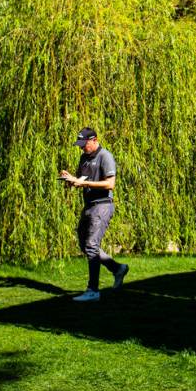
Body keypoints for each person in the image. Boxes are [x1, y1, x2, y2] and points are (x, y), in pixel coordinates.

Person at [60, 127, 128, 302]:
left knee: (91, 245)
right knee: (85, 245)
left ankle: (93, 290)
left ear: (94, 140)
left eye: (84, 144)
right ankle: (117, 269)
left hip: (102, 206)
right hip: (88, 205)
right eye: (80, 145)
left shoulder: (105, 157)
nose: (82, 148)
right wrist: (70, 179)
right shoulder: (84, 158)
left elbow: (110, 184)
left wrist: (83, 183)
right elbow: (82, 181)